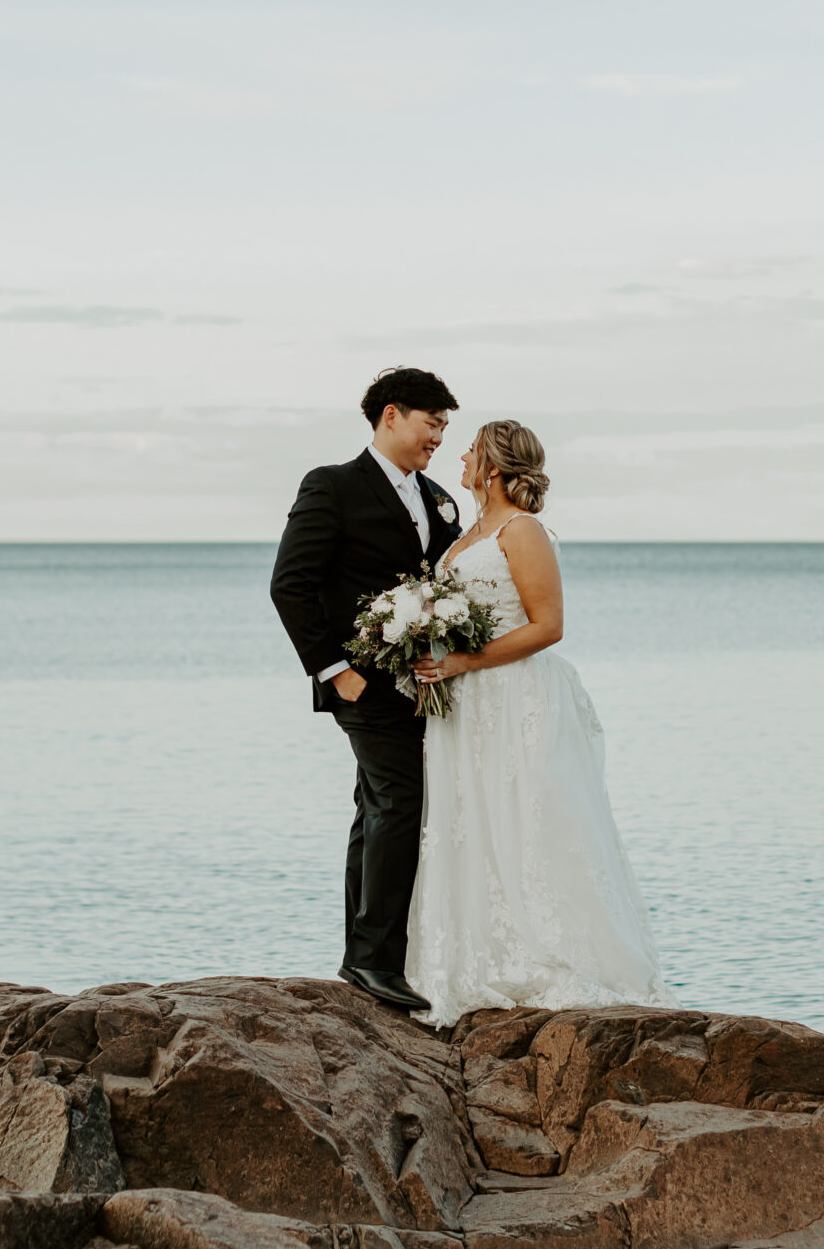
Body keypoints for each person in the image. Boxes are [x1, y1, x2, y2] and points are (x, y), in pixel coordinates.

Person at [405, 419, 672, 1024]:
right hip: (464, 700)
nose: (461, 456)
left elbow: (547, 625)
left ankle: (543, 949)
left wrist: (461, 660)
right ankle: (470, 957)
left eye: (470, 449)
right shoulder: (465, 532)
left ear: (493, 469)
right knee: (469, 816)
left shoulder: (522, 531)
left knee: (525, 813)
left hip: (510, 693)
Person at [268, 367, 464, 1010]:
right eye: (431, 423)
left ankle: (364, 957)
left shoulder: (439, 498)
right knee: (398, 803)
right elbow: (290, 584)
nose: (438, 436)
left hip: (421, 683)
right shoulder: (332, 486)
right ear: (390, 415)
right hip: (360, 682)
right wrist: (334, 670)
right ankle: (377, 962)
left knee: (377, 809)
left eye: (443, 427)